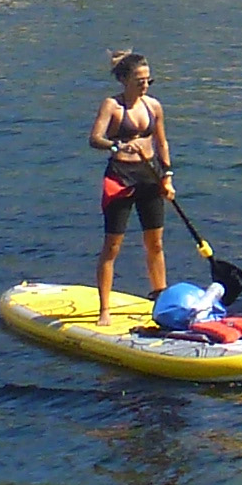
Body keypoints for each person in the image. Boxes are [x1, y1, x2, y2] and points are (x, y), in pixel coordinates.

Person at [90, 49, 172, 308]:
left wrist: (167, 177)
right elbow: (95, 139)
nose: (145, 85)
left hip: (150, 176)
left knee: (155, 243)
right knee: (113, 246)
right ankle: (104, 309)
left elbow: (161, 142)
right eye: (139, 81)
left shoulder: (154, 106)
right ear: (125, 80)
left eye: (148, 80)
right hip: (121, 178)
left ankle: (161, 298)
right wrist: (117, 147)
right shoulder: (112, 106)